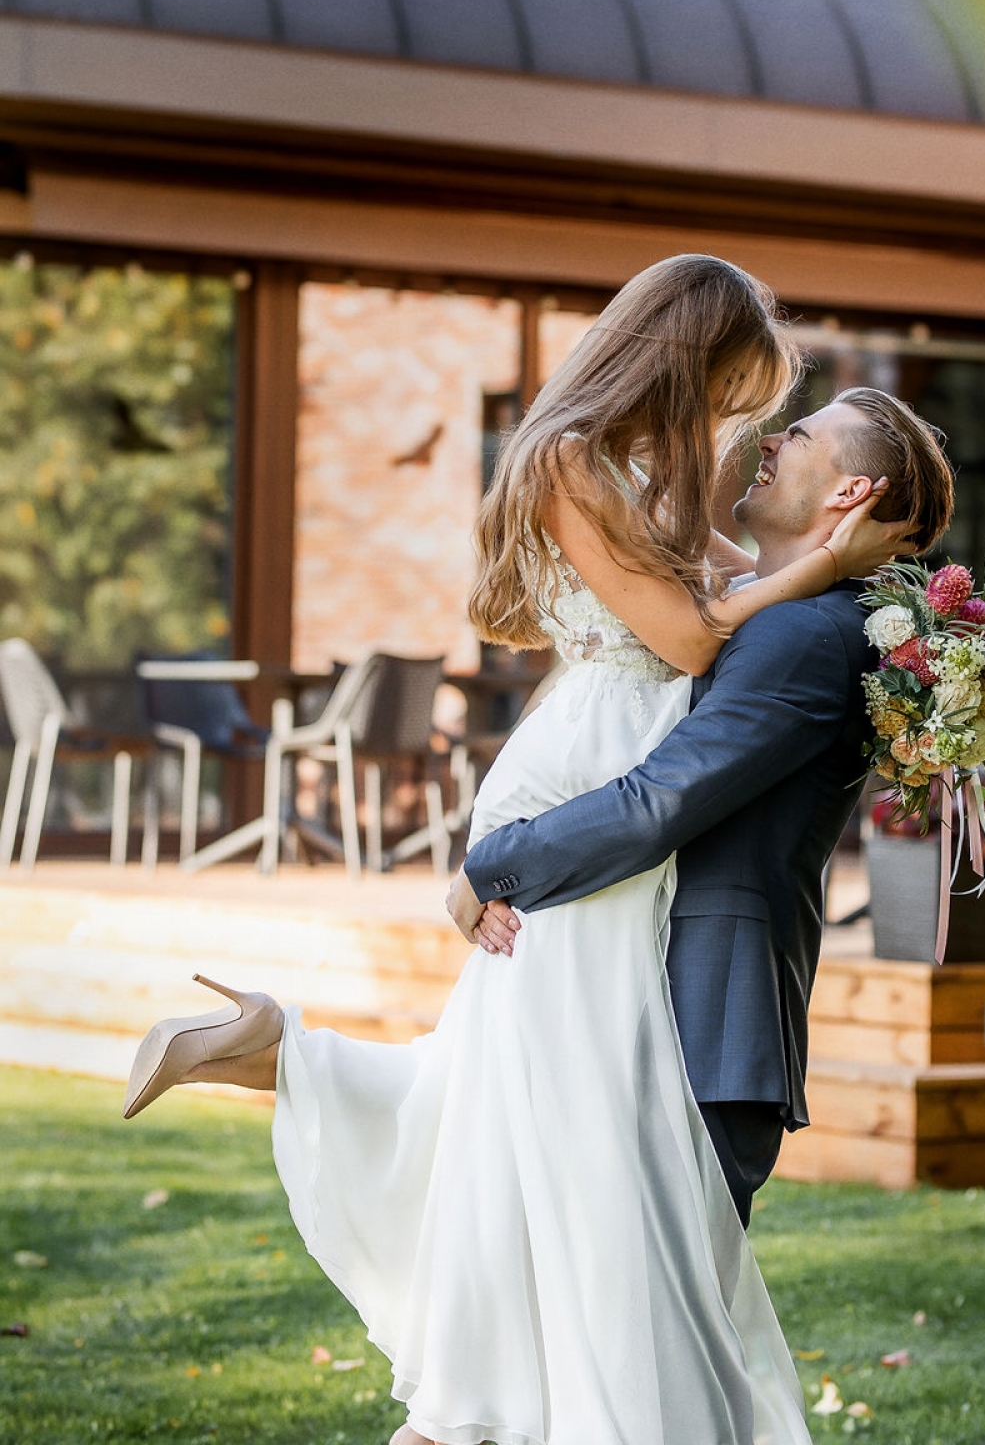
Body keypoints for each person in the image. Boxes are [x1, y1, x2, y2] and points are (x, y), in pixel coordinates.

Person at [121, 255, 913, 1445]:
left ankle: (284, 1059)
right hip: (590, 769)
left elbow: (709, 629)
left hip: (617, 775)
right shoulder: (570, 464)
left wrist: (849, 580)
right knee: (562, 1109)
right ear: (685, 358)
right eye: (743, 391)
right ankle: (516, 1386)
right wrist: (818, 566)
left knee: (497, 1105)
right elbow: (694, 644)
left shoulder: (655, 475)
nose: (750, 425)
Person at [452, 385, 955, 1226]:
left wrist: (492, 862)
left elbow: (660, 803)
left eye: (797, 436)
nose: (767, 442)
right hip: (655, 1006)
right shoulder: (779, 610)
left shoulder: (801, 636)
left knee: (664, 1333)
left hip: (702, 1027)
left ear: (849, 494)